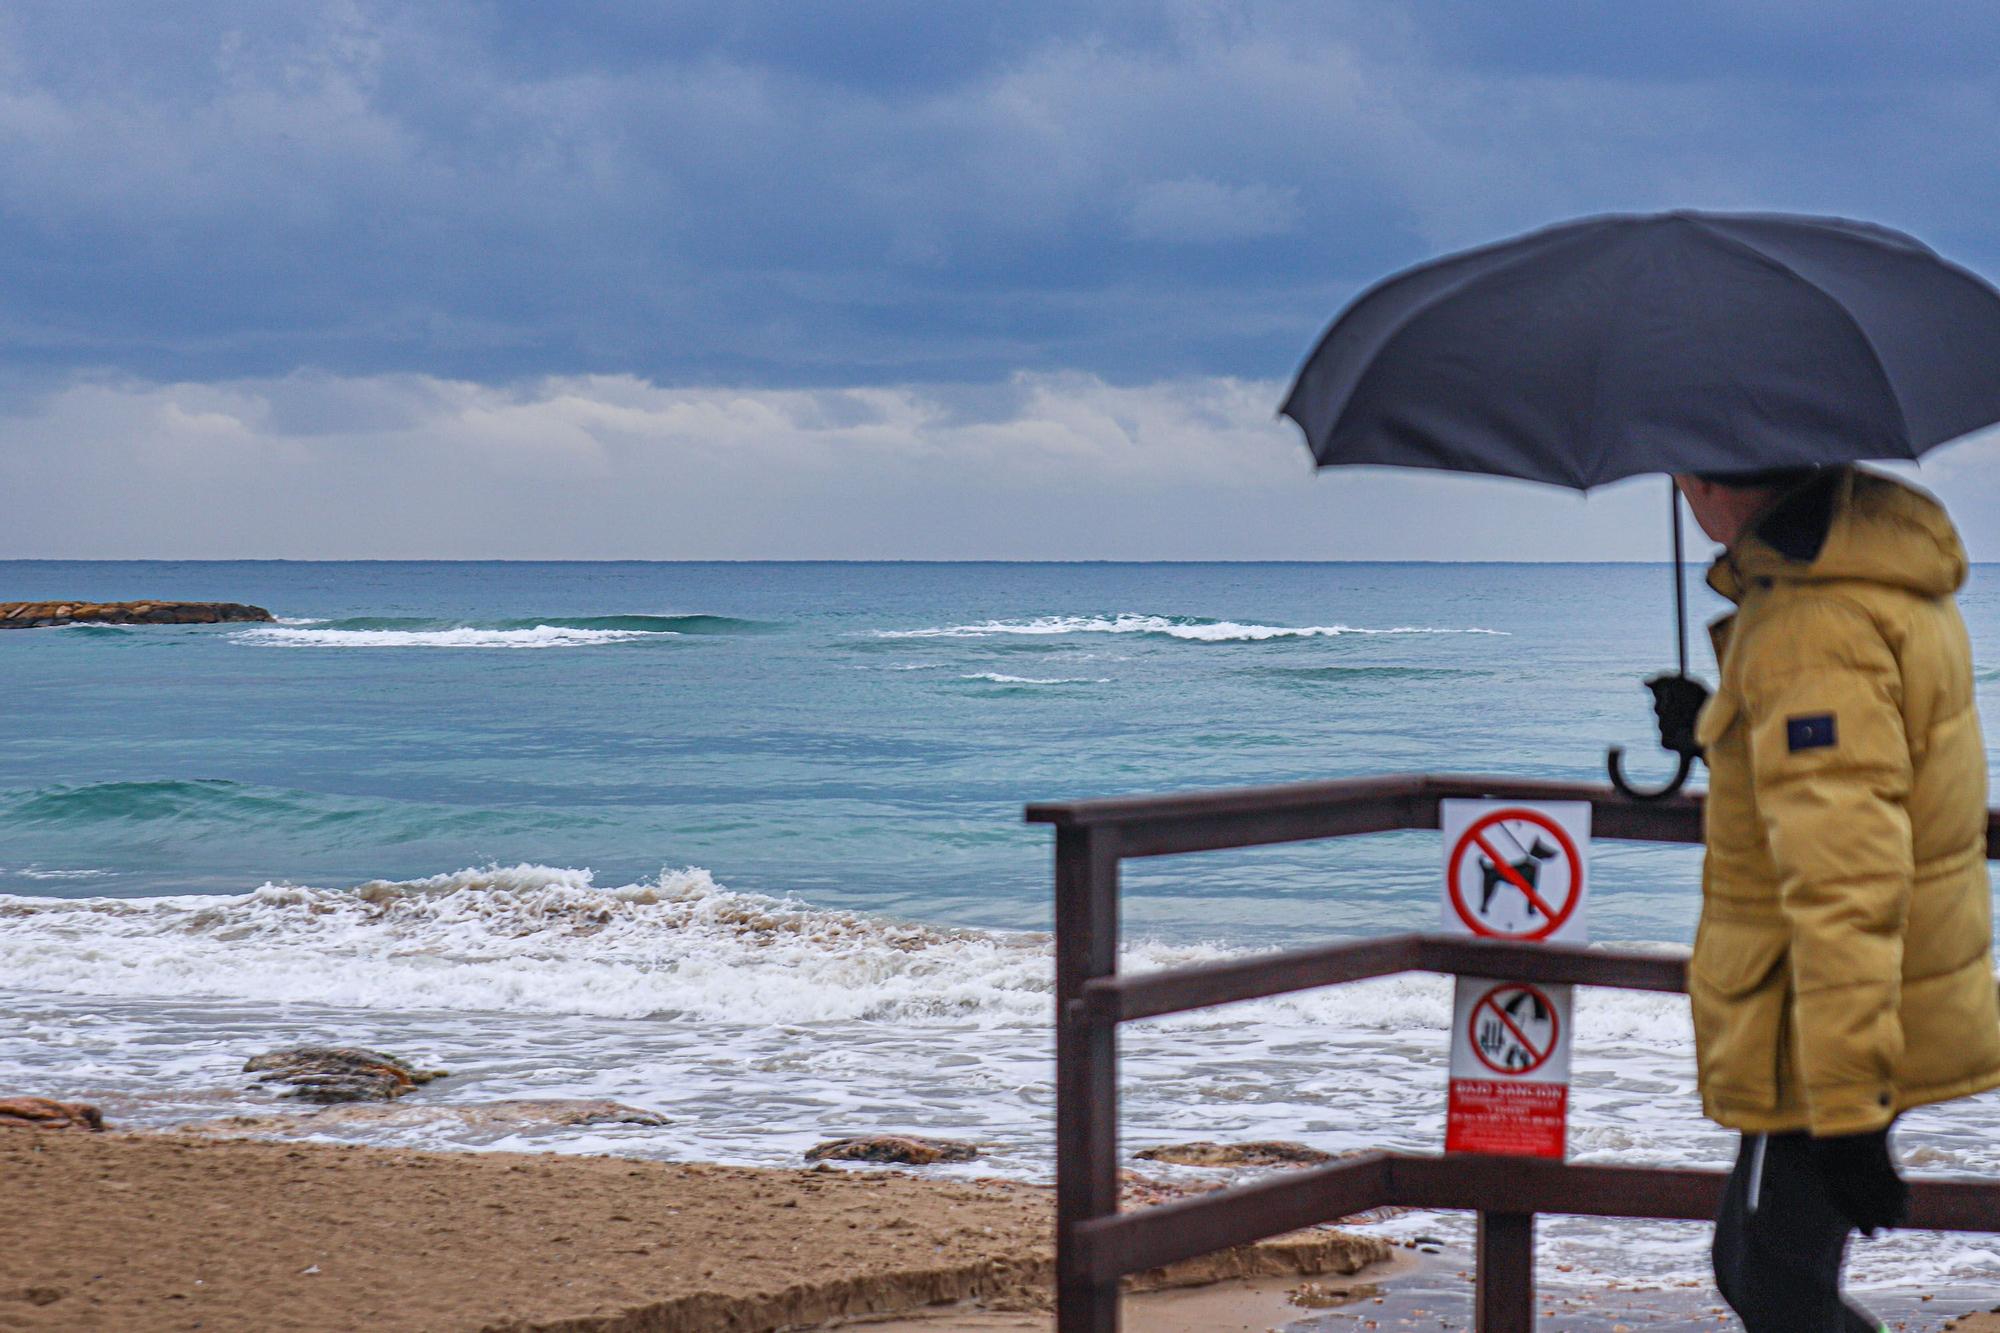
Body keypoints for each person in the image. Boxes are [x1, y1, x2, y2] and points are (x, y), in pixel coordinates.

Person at [1673, 464, 2000, 1331]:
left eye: (1680, 472)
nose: (1676, 491)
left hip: (1816, 1024)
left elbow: (1845, 874)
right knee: (1761, 1267)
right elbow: (1849, 782)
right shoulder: (1873, 582)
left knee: (1769, 1280)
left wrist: (1847, 1106)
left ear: (1717, 480)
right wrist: (1718, 729)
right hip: (1849, 1003)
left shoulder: (1810, 618)